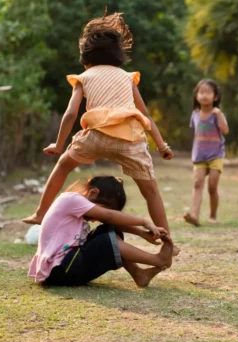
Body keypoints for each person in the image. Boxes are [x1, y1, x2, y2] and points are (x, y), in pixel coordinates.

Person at [22, 13, 175, 242]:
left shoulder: (84, 77)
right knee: (150, 192)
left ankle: (40, 213)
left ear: (86, 60)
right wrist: (162, 145)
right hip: (129, 140)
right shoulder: (127, 78)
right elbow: (145, 115)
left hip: (96, 136)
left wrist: (59, 144)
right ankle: (166, 240)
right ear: (118, 58)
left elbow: (71, 114)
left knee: (63, 165)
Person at [28, 176, 173, 287]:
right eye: (101, 211)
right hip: (59, 270)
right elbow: (109, 216)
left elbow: (111, 220)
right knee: (105, 240)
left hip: (68, 266)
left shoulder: (78, 205)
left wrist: (141, 233)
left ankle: (139, 274)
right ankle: (157, 260)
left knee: (108, 229)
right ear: (92, 193)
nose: (93, 220)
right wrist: (144, 222)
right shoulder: (70, 199)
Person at [184, 79, 228, 227]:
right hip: (200, 156)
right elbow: (196, 133)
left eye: (208, 93)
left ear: (215, 97)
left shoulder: (217, 114)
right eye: (201, 92)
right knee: (197, 184)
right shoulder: (195, 114)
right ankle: (195, 216)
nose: (204, 95)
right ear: (196, 96)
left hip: (216, 155)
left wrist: (220, 115)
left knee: (212, 186)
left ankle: (213, 214)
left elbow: (225, 131)